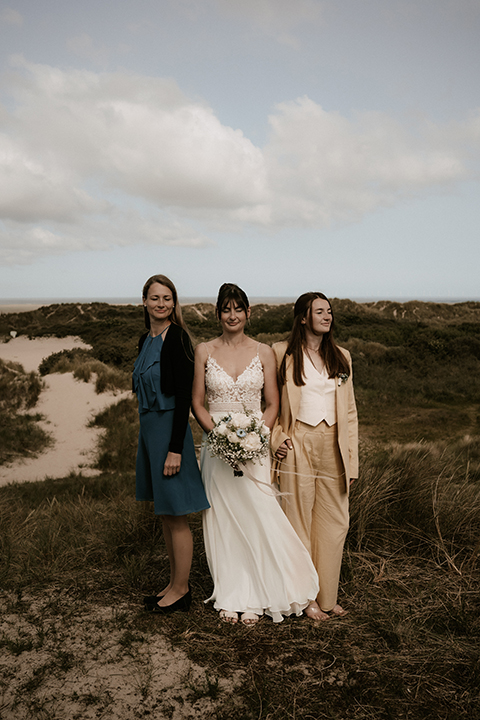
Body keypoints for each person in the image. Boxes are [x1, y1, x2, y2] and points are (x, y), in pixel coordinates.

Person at [192, 283, 318, 625]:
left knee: (259, 512)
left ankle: (263, 593)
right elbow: (197, 403)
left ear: (248, 313)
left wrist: (257, 437)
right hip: (216, 447)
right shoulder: (204, 350)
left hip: (255, 446)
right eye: (226, 309)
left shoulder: (264, 352)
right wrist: (219, 437)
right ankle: (232, 594)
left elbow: (273, 403)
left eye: (238, 309)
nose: (232, 315)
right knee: (222, 517)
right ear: (217, 314)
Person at [271, 292, 358, 621]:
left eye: (329, 311)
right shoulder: (281, 353)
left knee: (335, 522)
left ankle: (327, 597)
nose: (327, 316)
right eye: (319, 311)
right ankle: (305, 598)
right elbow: (269, 403)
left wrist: (352, 461)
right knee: (299, 521)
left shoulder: (342, 356)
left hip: (333, 444)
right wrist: (276, 438)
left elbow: (350, 412)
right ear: (303, 317)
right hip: (298, 442)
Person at [133, 274, 210, 615]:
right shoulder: (145, 339)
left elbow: (182, 398)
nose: (161, 304)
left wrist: (176, 448)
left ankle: (182, 590)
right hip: (150, 432)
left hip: (169, 434)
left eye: (167, 298)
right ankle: (173, 583)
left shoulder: (177, 338)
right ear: (144, 302)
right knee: (165, 512)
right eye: (155, 298)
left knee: (177, 514)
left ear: (174, 303)